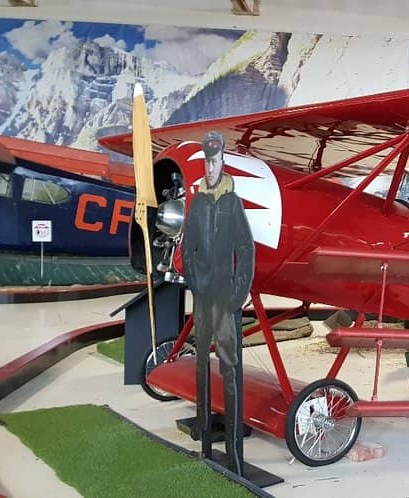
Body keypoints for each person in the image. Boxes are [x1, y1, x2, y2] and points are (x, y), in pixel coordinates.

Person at [181, 131, 254, 475]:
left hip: (225, 299)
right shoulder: (197, 203)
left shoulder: (232, 203)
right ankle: (203, 433)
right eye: (206, 160)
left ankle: (233, 451)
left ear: (222, 160)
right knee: (200, 364)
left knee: (230, 368)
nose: (210, 167)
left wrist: (238, 295)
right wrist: (195, 284)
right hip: (203, 298)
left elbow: (246, 249)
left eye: (215, 160)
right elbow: (188, 248)